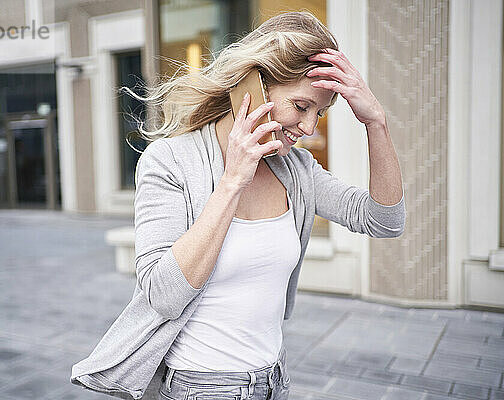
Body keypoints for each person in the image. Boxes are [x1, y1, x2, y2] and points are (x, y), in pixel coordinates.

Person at [70, 11, 405, 400]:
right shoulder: (170, 160)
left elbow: (384, 221)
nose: (310, 127)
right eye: (301, 107)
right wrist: (233, 180)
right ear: (254, 87)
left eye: (320, 112)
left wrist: (375, 122)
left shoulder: (296, 169)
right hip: (201, 388)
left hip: (273, 381)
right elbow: (162, 294)